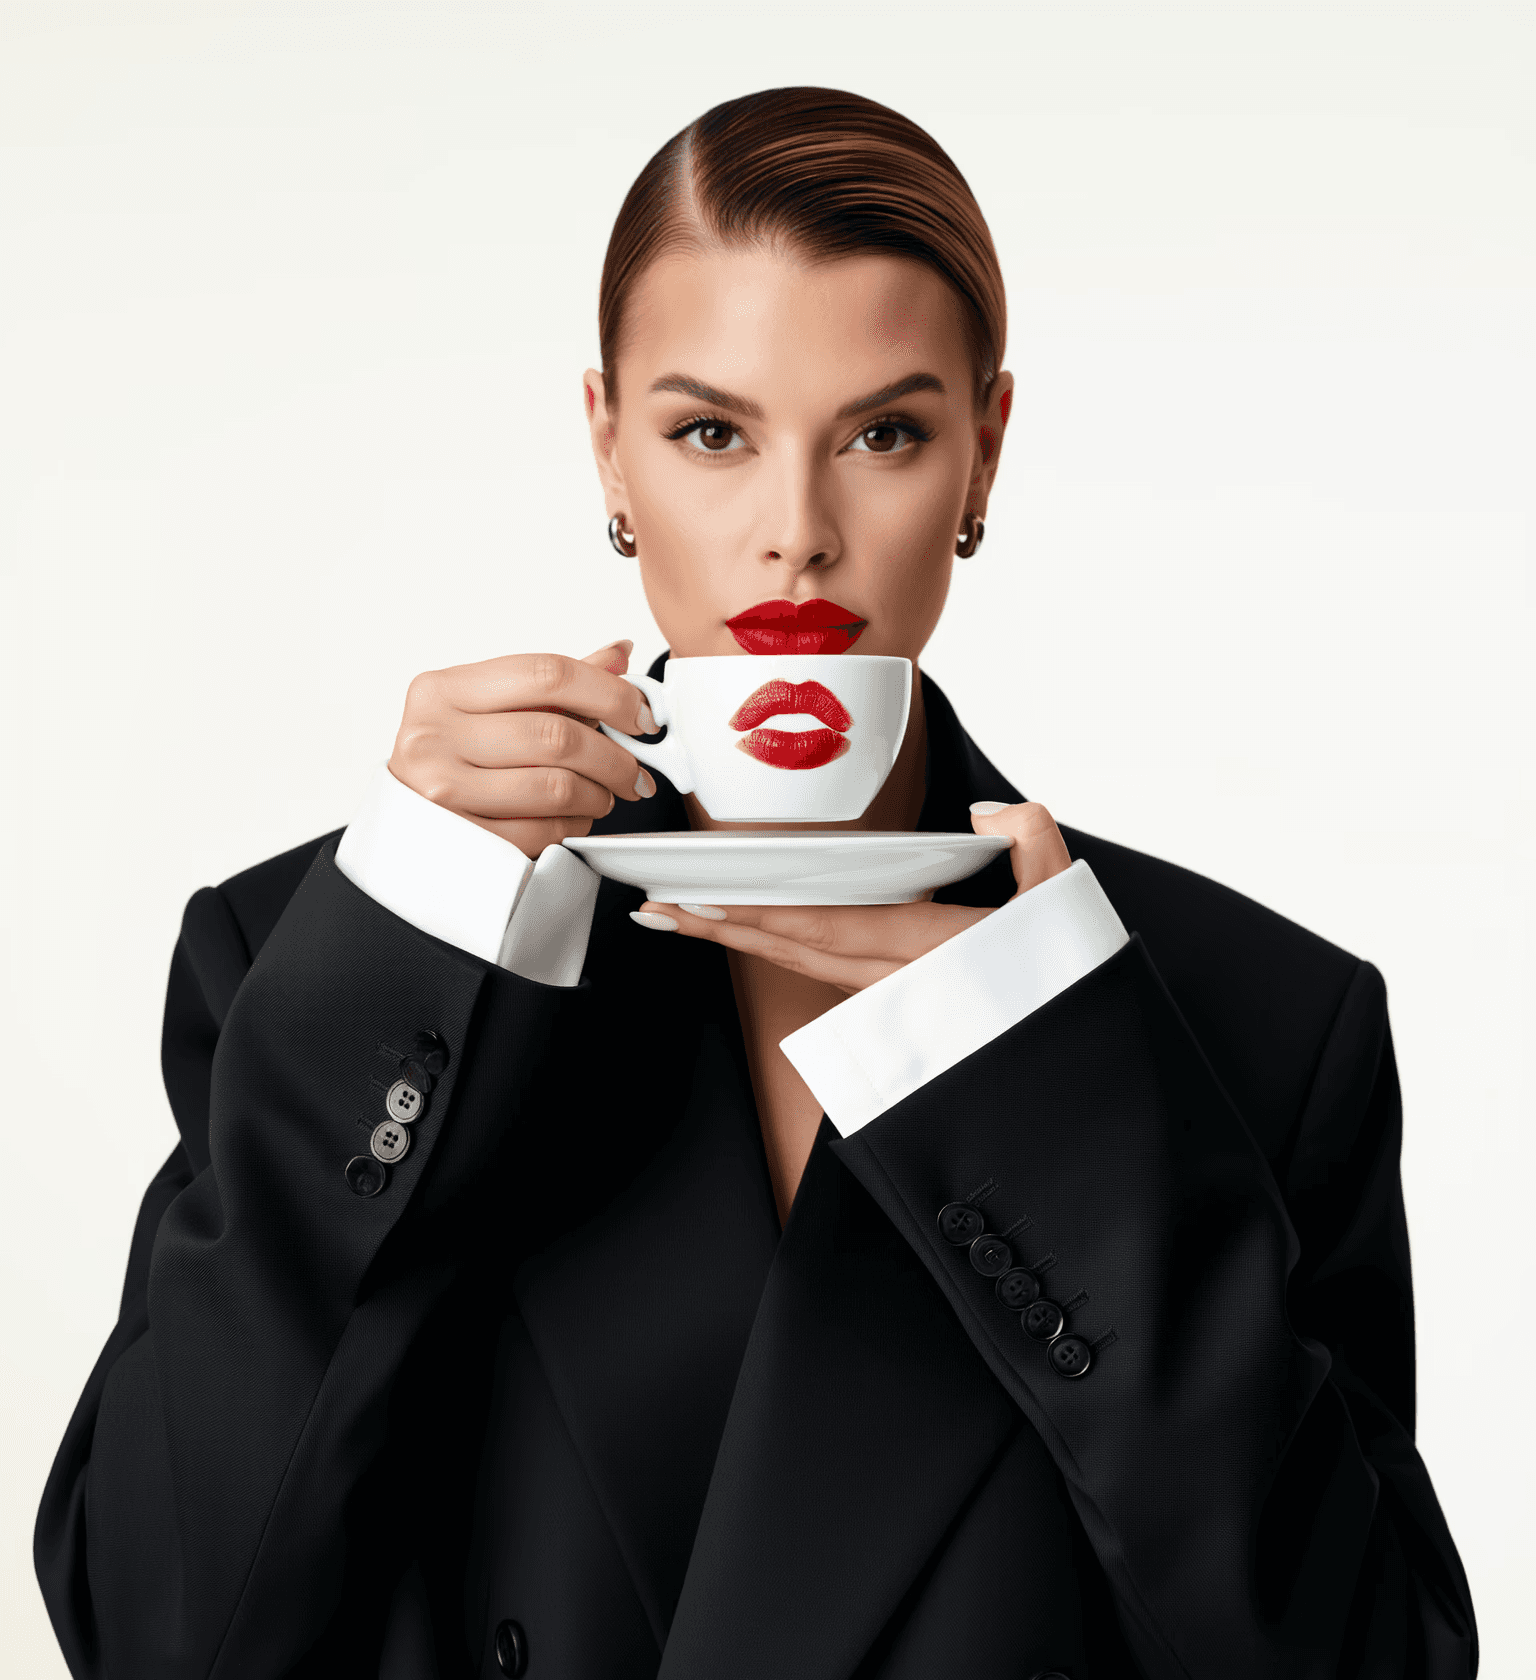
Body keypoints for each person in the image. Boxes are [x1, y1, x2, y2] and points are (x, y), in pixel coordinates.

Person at [35, 87, 1476, 1680]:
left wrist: (1058, 1107)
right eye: (711, 433)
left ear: (985, 452)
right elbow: (158, 1634)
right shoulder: (334, 959)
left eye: (884, 434)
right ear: (609, 445)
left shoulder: (1253, 1023)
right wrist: (403, 950)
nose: (798, 536)